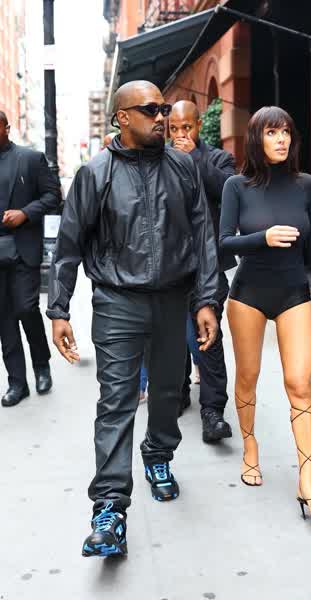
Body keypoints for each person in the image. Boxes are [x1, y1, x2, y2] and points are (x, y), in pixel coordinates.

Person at [46, 81, 218, 557]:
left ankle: (158, 453)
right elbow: (69, 245)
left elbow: (203, 236)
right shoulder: (95, 173)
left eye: (164, 108)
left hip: (173, 300)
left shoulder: (183, 168)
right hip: (117, 303)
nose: (161, 117)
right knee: (117, 402)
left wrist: (206, 301)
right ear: (122, 117)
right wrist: (59, 309)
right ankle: (109, 510)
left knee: (167, 393)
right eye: (150, 110)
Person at [219, 106, 311, 520]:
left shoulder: (307, 185)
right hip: (248, 293)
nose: (281, 139)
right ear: (257, 139)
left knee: (300, 384)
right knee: (247, 377)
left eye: (285, 131)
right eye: (271, 132)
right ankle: (250, 447)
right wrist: (262, 237)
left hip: (293, 293)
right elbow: (223, 243)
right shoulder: (236, 186)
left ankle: (308, 483)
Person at [169, 100, 236, 443]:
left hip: (208, 265)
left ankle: (213, 411)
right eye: (174, 129)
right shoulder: (161, 159)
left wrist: (193, 156)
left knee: (207, 336)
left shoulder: (218, 158)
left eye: (187, 127)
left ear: (198, 125)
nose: (181, 134)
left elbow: (227, 189)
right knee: (172, 334)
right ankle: (179, 392)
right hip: (171, 265)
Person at [0, 111, 61, 407]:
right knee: (4, 317)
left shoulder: (29, 159)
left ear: (6, 128)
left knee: (26, 308)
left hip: (23, 248)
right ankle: (17, 382)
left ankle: (41, 366)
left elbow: (53, 197)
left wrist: (25, 213)